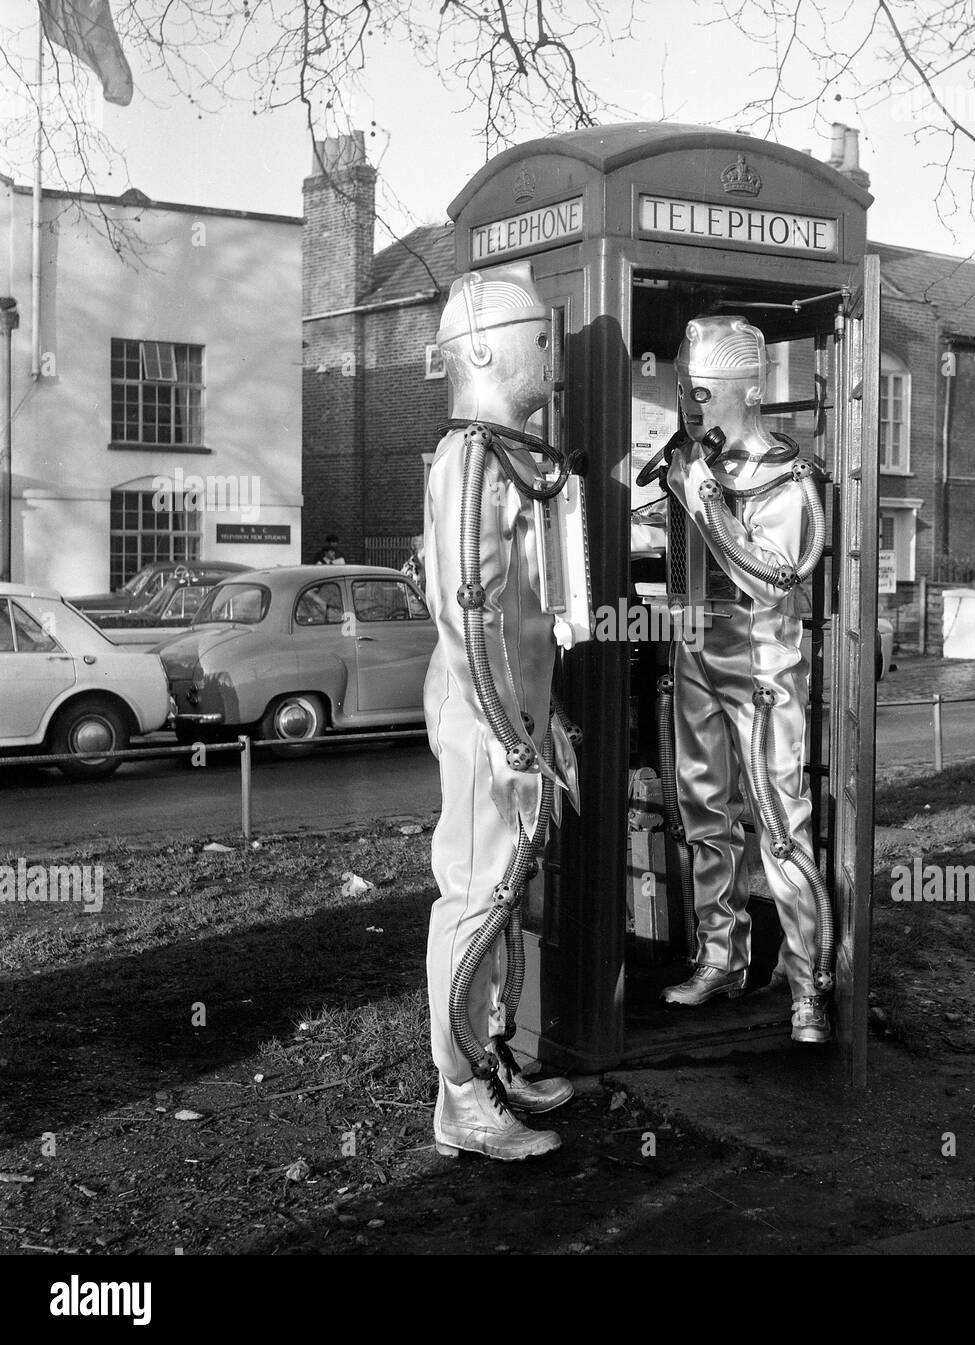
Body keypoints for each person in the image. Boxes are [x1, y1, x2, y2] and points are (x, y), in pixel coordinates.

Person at [422, 260, 580, 1160]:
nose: (549, 358)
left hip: (511, 721)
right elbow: (471, 616)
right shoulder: (473, 460)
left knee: (501, 898)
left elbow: (518, 622)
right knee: (476, 900)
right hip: (492, 729)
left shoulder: (502, 458)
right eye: (537, 340)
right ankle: (458, 1097)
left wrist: (539, 717)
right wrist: (512, 731)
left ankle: (487, 1061)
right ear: (484, 347)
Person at [660, 315, 833, 1044]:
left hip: (762, 656)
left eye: (704, 393)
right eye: (687, 394)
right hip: (693, 643)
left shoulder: (789, 476)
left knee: (782, 826)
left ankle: (806, 988)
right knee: (704, 814)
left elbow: (774, 573)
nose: (694, 409)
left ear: (747, 392)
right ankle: (722, 958)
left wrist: (701, 497)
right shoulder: (693, 461)